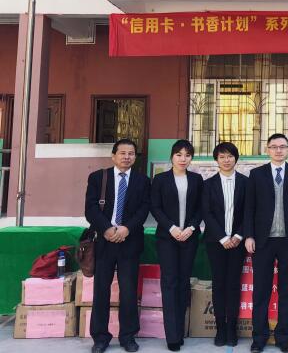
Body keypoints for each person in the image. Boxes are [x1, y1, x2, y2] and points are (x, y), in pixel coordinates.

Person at [244, 133, 288, 353]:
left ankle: (283, 337)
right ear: (267, 149)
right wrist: (249, 235)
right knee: (261, 291)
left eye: (282, 146)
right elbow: (249, 208)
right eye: (274, 147)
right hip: (262, 241)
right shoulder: (256, 174)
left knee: (287, 291)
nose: (278, 150)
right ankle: (259, 337)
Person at [85, 139, 151, 353]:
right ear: (113, 155)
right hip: (104, 241)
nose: (126, 157)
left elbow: (144, 209)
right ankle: (100, 337)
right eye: (122, 153)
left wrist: (126, 229)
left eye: (131, 153)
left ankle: (128, 336)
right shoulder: (98, 177)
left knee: (129, 291)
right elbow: (90, 208)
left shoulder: (143, 180)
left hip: (129, 241)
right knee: (101, 290)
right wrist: (107, 229)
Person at [150, 140, 204, 351]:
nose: (183, 159)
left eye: (187, 155)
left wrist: (191, 227)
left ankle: (179, 330)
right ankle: (172, 336)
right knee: (170, 282)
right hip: (167, 238)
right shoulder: (161, 179)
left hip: (189, 237)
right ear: (172, 156)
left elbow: (201, 208)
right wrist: (171, 227)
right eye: (179, 154)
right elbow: (155, 207)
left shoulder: (197, 179)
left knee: (183, 283)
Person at [202, 142, 247, 347]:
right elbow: (207, 213)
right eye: (222, 157)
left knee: (233, 285)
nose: (226, 160)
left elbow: (250, 212)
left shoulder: (246, 183)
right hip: (215, 242)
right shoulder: (208, 184)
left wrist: (238, 236)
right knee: (219, 285)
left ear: (236, 158)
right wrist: (222, 237)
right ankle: (220, 329)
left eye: (230, 156)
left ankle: (232, 330)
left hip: (238, 242)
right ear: (216, 160)